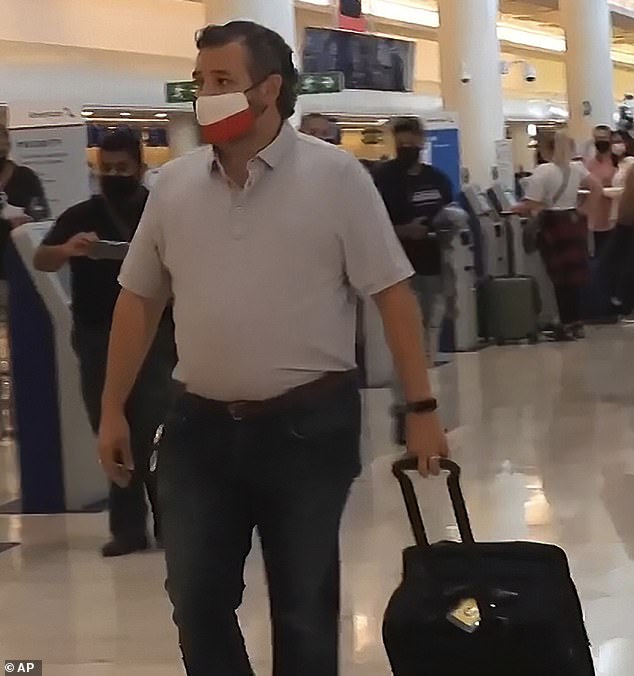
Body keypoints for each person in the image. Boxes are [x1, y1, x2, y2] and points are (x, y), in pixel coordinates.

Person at [96, 21, 448, 676]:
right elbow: (139, 299)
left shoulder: (336, 179)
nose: (205, 96)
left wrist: (421, 407)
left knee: (304, 610)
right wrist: (113, 407)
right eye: (200, 82)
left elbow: (393, 293)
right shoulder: (173, 188)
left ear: (270, 90)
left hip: (308, 429)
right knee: (195, 598)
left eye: (223, 82)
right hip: (197, 428)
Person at [33, 130, 176, 558]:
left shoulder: (159, 210)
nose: (114, 175)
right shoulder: (82, 214)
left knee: (156, 428)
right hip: (96, 334)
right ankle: (127, 528)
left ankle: (171, 522)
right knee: (111, 429)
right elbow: (42, 259)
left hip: (156, 334)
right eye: (106, 168)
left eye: (122, 168)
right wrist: (68, 249)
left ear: (140, 168)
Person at [374, 117, 453, 364]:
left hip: (431, 257)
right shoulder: (384, 178)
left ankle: (426, 356)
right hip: (396, 261)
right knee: (403, 315)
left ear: (421, 141)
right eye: (401, 144)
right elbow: (373, 221)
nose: (406, 148)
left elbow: (447, 211)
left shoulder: (437, 178)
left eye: (411, 143)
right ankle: (409, 361)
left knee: (431, 311)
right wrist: (403, 230)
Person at [516, 131, 599, 341]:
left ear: (546, 149)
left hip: (552, 224)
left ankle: (563, 321)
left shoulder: (543, 171)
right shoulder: (576, 168)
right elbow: (597, 188)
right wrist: (584, 209)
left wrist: (517, 207)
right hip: (572, 221)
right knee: (573, 276)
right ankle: (575, 321)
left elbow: (533, 204)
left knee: (558, 277)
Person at [0, 124, 49, 276]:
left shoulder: (25, 177)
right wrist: (8, 225)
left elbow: (41, 214)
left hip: (18, 258)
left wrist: (30, 222)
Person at [584, 124, 617, 256]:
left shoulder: (618, 163)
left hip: (615, 219)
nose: (600, 141)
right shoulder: (588, 164)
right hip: (595, 221)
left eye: (603, 138)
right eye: (597, 138)